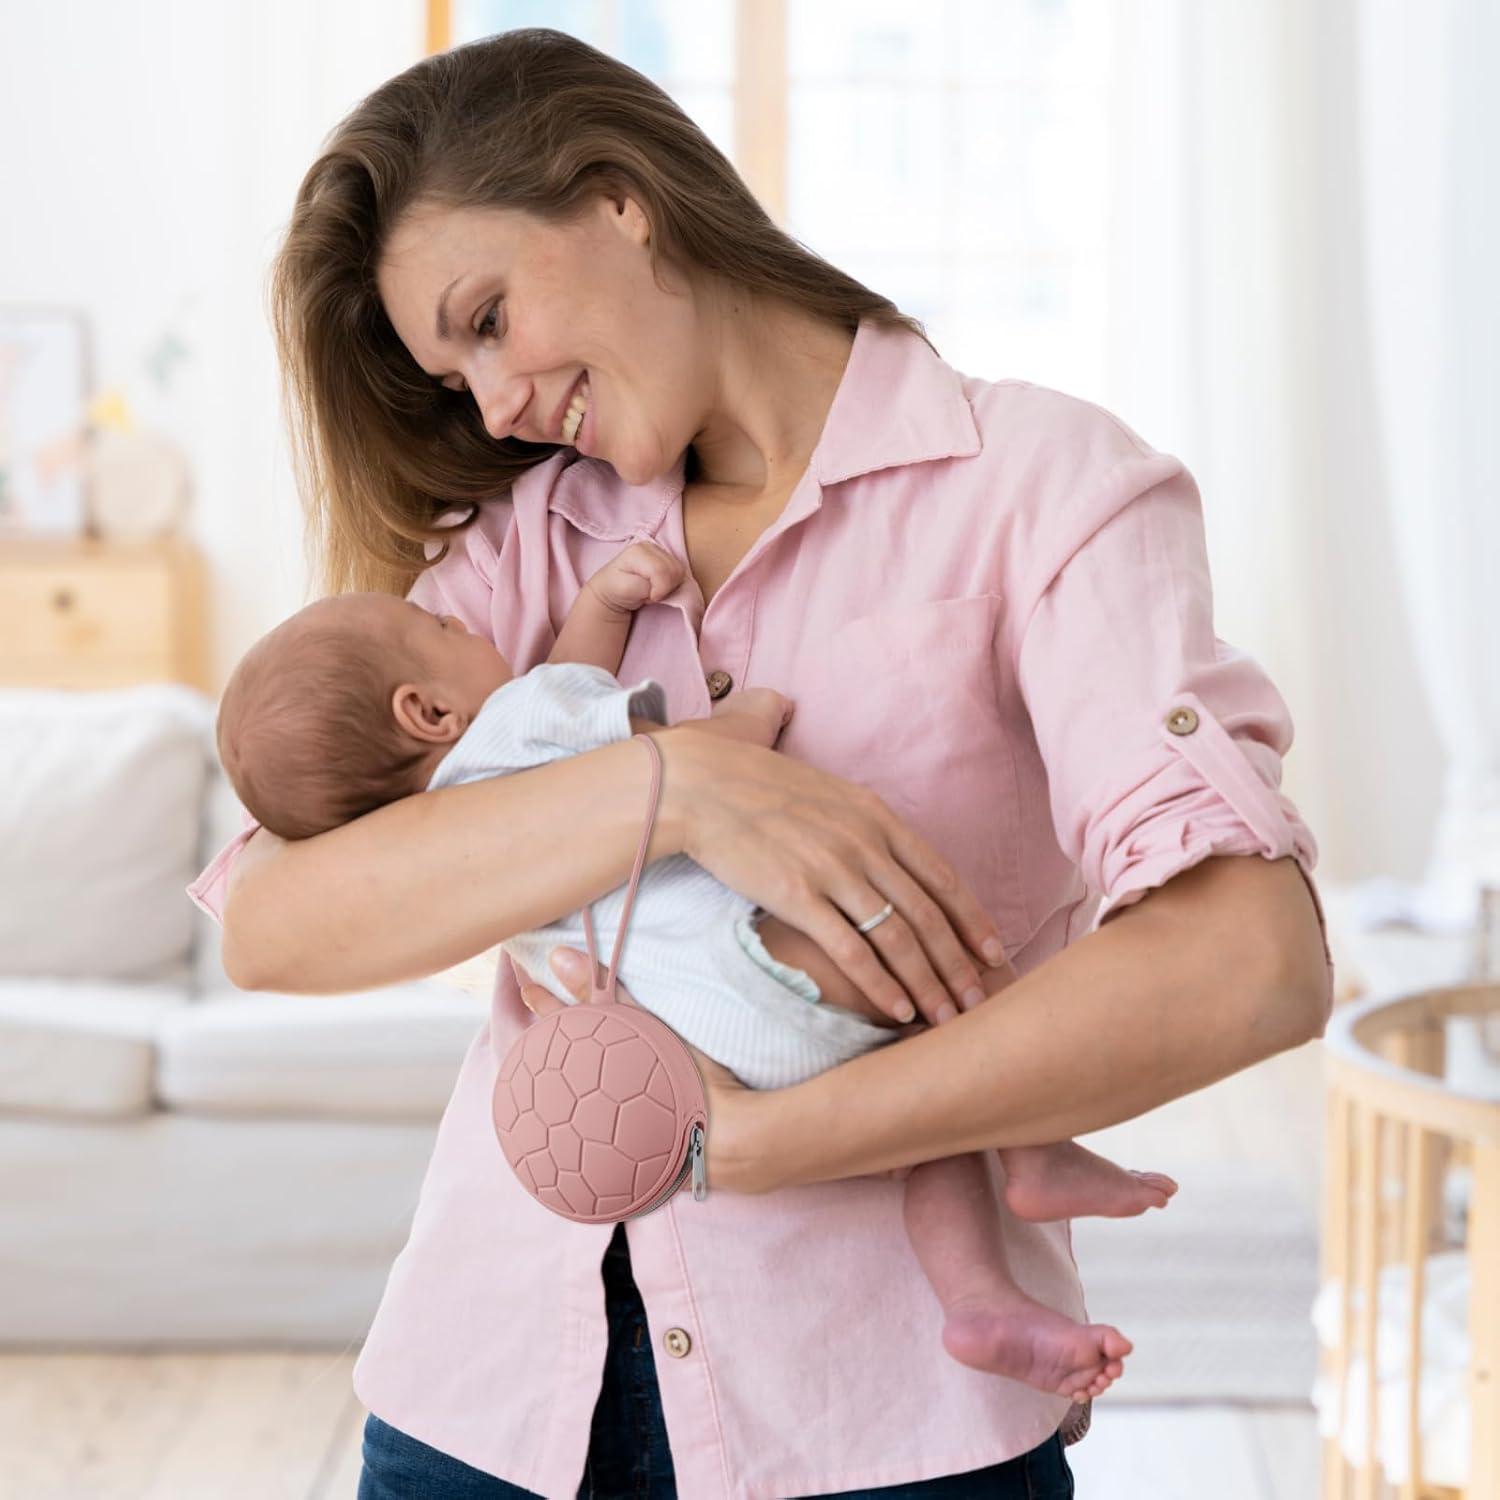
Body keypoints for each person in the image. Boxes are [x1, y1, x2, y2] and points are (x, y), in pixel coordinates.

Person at [189, 27, 1334, 1500]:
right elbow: (280, 926)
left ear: (619, 198)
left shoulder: (1043, 493)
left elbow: (1253, 960)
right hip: (484, 1411)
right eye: (451, 372)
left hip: (889, 1426)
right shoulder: (529, 546)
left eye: (487, 319)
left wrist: (768, 1146)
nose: (492, 408)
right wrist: (677, 786)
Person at [214, 536, 1178, 1407]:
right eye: (437, 625)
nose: (456, 616)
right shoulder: (517, 725)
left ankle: (982, 1303)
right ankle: (1029, 1157)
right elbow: (667, 755)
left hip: (694, 1040)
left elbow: (563, 687)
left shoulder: (448, 823)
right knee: (949, 966)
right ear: (425, 709)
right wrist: (753, 718)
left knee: (930, 1110)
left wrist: (601, 601)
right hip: (758, 966)